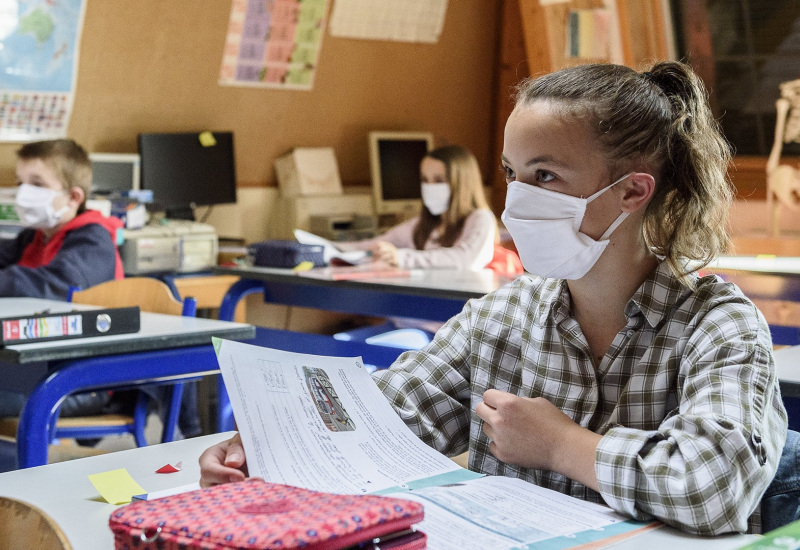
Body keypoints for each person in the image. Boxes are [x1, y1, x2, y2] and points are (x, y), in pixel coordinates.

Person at [199, 62, 789, 535]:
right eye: (511, 172)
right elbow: (385, 416)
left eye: (546, 176)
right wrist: (268, 448)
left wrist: (562, 445)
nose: (516, 199)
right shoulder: (503, 316)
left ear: (632, 191)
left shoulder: (718, 324)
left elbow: (716, 485)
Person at [0, 139, 123, 421]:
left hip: (79, 380)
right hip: (35, 365)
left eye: (38, 185)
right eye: (21, 183)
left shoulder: (93, 241)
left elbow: (50, 285)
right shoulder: (35, 236)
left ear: (74, 197)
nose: (24, 194)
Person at [336, 144, 497, 272]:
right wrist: (330, 248)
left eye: (439, 180)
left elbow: (464, 259)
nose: (429, 187)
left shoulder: (481, 219)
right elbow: (377, 244)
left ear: (462, 182)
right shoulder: (422, 225)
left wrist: (401, 258)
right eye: (424, 180)